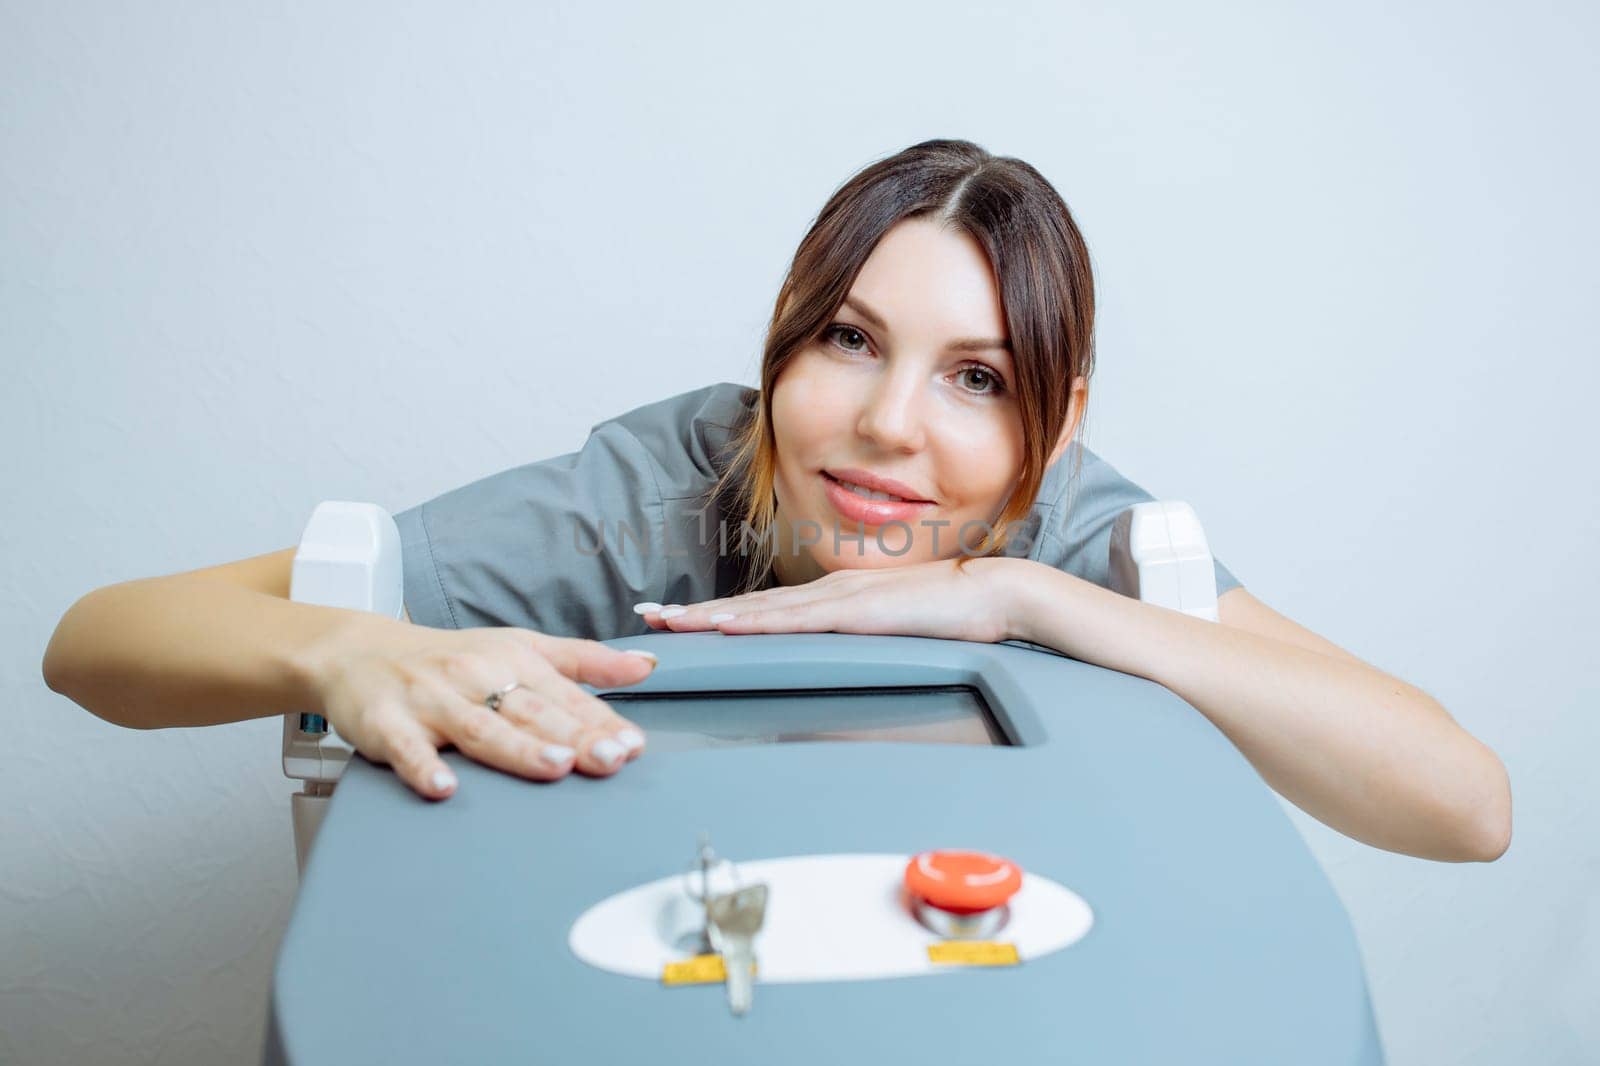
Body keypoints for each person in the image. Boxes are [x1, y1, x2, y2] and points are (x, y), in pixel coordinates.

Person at [42, 139, 1511, 862]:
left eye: (978, 379)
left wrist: (1018, 595)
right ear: (783, 343)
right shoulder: (654, 501)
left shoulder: (1064, 526)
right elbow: (95, 642)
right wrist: (337, 649)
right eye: (851, 341)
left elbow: (1467, 806)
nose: (887, 425)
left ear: (1056, 426)